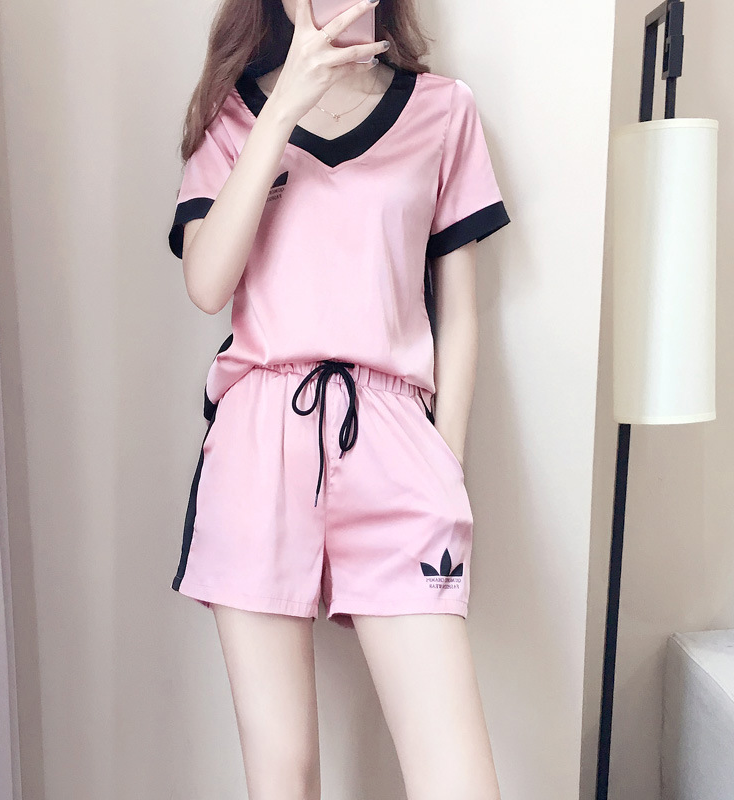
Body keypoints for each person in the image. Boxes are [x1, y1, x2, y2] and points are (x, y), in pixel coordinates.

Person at [167, 0, 511, 797]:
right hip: (259, 437)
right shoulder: (232, 115)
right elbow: (207, 282)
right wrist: (282, 106)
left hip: (394, 436)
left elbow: (461, 316)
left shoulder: (443, 111)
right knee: (283, 774)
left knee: (457, 780)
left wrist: (445, 464)